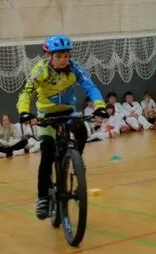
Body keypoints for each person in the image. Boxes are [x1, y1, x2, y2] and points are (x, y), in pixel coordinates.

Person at [18, 35, 108, 219]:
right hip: (46, 115)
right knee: (47, 154)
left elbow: (90, 87)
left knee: (81, 130)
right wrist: (24, 112)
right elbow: (26, 92)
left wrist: (100, 106)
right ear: (49, 55)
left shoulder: (75, 67)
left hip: (68, 112)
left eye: (66, 56)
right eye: (58, 56)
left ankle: (76, 160)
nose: (63, 60)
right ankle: (43, 197)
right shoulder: (41, 70)